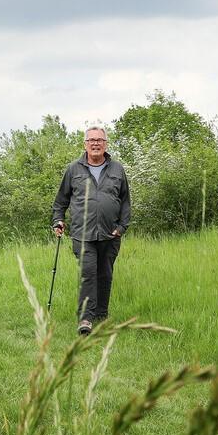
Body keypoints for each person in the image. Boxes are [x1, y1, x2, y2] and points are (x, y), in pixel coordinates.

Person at [52, 126, 131, 335]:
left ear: (106, 144)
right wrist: (58, 220)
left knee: (105, 275)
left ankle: (101, 315)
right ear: (85, 144)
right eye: (92, 140)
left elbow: (125, 201)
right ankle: (86, 319)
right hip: (82, 234)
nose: (96, 143)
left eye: (100, 140)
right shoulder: (73, 169)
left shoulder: (117, 169)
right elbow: (61, 201)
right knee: (88, 274)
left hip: (110, 234)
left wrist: (122, 227)